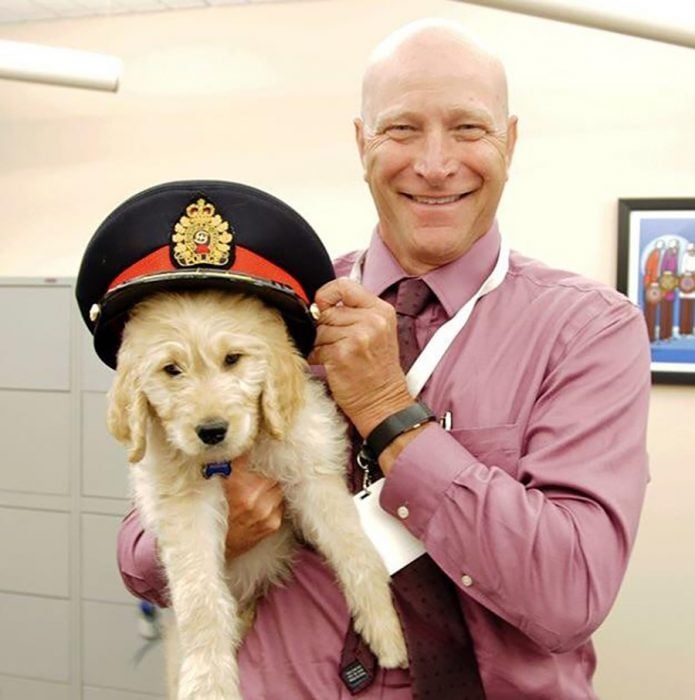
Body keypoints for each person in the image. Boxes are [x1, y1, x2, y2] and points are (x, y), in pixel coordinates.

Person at [117, 18, 651, 699]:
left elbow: (568, 597)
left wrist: (388, 412)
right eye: (401, 129)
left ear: (508, 143)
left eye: (467, 128)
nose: (433, 164)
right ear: (362, 141)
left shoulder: (588, 332)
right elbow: (138, 559)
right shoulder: (278, 315)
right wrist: (223, 532)